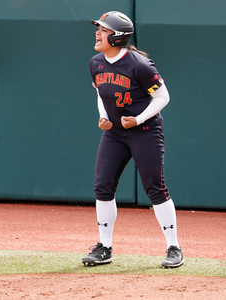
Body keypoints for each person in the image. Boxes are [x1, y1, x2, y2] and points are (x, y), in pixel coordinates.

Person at [81, 11, 184, 268]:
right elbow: (101, 95)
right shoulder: (96, 63)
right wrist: (104, 116)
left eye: (103, 30)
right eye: (98, 28)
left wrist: (137, 119)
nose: (98, 33)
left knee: (154, 188)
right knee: (102, 186)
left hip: (145, 131)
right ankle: (104, 247)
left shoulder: (139, 65)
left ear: (117, 37)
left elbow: (163, 97)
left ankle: (174, 247)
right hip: (114, 133)